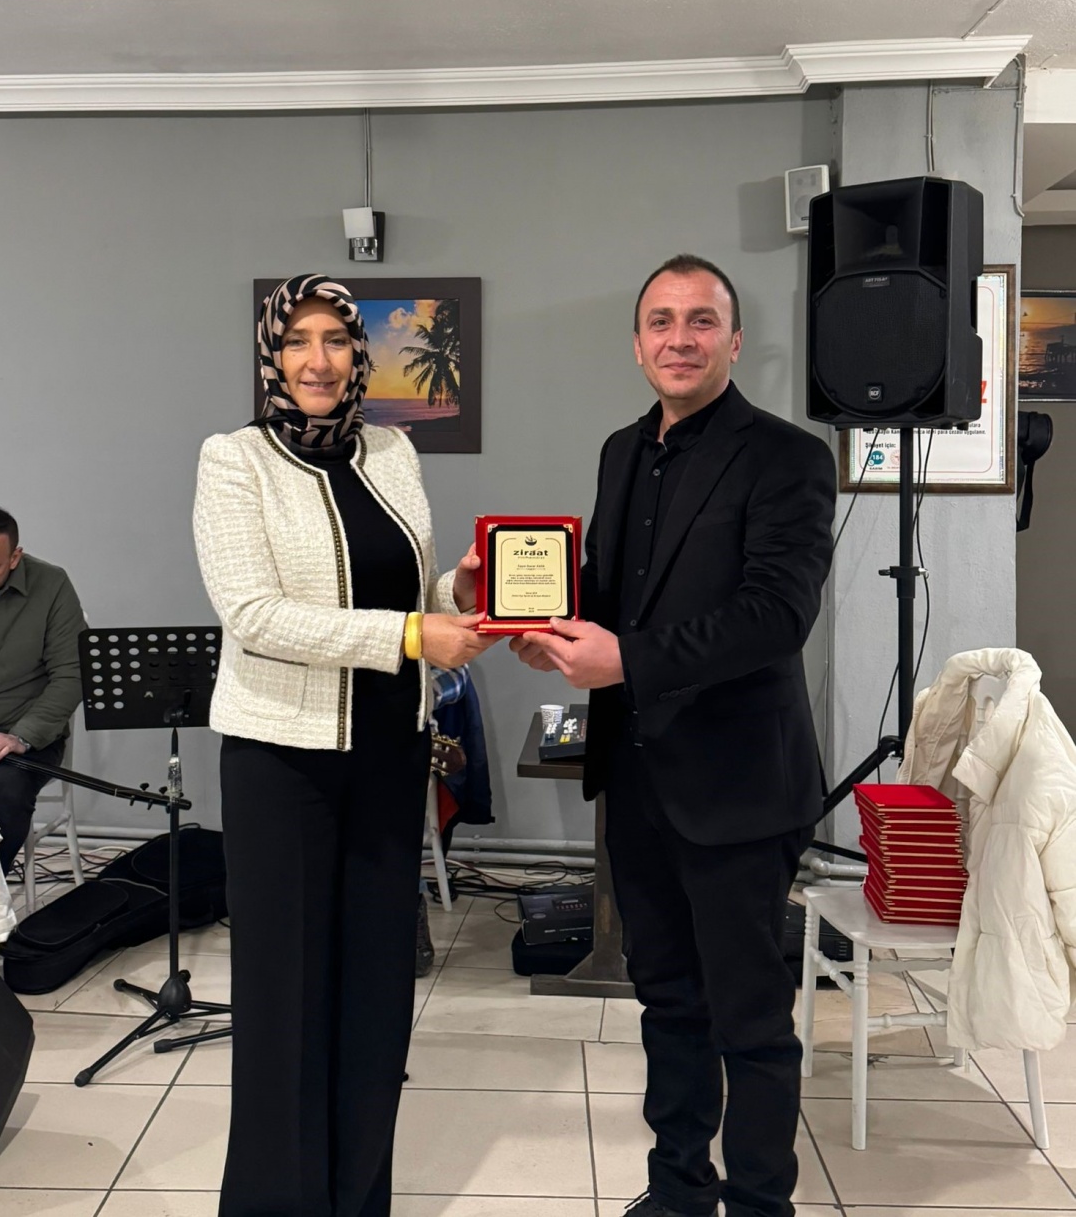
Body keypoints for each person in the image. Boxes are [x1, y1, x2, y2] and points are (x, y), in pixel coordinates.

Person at [513, 255, 836, 1217]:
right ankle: (678, 1190)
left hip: (739, 786)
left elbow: (775, 616)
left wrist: (625, 658)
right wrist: (545, 624)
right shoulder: (621, 450)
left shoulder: (788, 456)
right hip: (637, 778)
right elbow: (616, 594)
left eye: (701, 321)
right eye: (661, 321)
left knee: (751, 1019)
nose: (679, 339)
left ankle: (761, 1204)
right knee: (666, 1001)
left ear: (734, 341)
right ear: (637, 344)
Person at [193, 273, 496, 1217]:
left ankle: (359, 1198)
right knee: (286, 998)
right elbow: (254, 614)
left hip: (388, 753)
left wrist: (457, 591)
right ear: (271, 356)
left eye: (334, 340)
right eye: (297, 341)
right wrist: (410, 635)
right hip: (282, 762)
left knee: (375, 991)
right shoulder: (233, 460)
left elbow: (406, 586)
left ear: (360, 355)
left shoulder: (392, 449)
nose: (317, 361)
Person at [0, 503, 87, 876]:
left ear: (14, 558)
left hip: (19, 739)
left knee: (8, 791)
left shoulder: (51, 585)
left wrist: (20, 736)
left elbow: (72, 673)